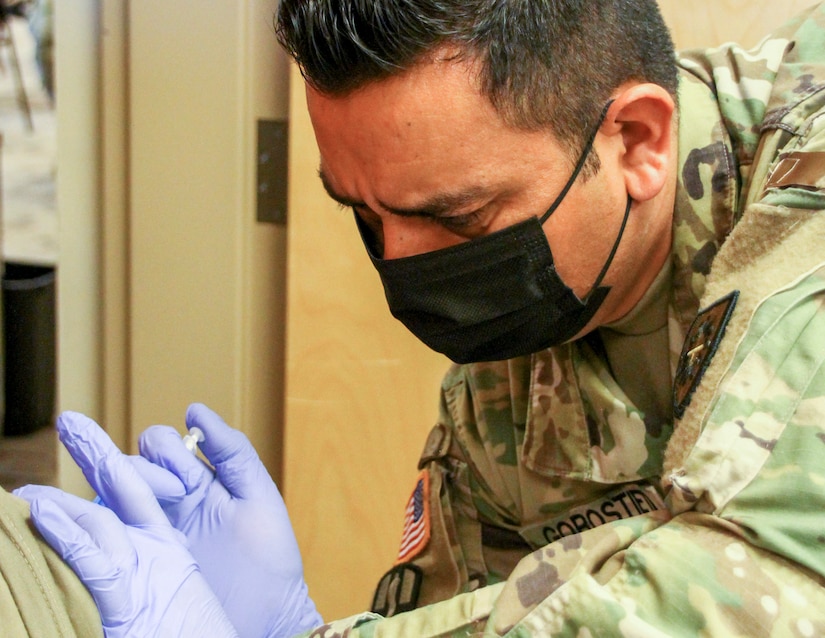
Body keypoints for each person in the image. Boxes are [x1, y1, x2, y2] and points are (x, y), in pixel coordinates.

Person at [10, 0, 825, 635]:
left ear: (637, 140)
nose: (402, 265)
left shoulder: (807, 186)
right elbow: (451, 605)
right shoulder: (503, 385)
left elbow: (748, 591)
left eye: (460, 220)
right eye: (363, 214)